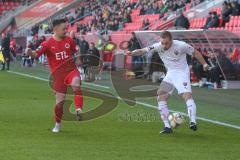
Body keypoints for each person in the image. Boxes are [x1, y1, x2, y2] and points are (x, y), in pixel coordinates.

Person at [127, 31, 209, 134]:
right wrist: (132, 53)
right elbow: (143, 50)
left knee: (186, 95)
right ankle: (167, 126)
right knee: (161, 96)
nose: (164, 45)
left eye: (166, 43)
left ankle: (193, 121)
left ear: (171, 40)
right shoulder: (158, 46)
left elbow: (195, 52)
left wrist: (204, 64)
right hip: (170, 74)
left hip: (181, 73)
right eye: (162, 43)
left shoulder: (181, 45)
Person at [26, 19, 83, 133]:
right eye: (64, 29)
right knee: (59, 103)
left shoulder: (69, 40)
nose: (66, 31)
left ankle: (78, 109)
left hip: (71, 71)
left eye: (66, 28)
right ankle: (58, 124)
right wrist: (29, 52)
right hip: (58, 76)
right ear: (55, 29)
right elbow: (35, 54)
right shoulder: (46, 44)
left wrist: (78, 59)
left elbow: (76, 50)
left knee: (76, 83)